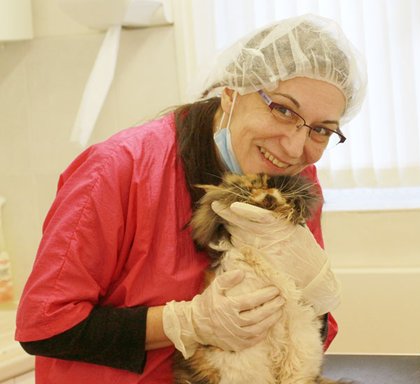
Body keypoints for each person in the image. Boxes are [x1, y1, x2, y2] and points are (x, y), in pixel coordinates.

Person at [15, 13, 367, 383]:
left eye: (322, 130)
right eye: (282, 109)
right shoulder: (118, 170)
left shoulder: (294, 180)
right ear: (231, 92)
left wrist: (315, 297)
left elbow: (305, 335)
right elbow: (46, 325)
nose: (295, 147)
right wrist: (186, 322)